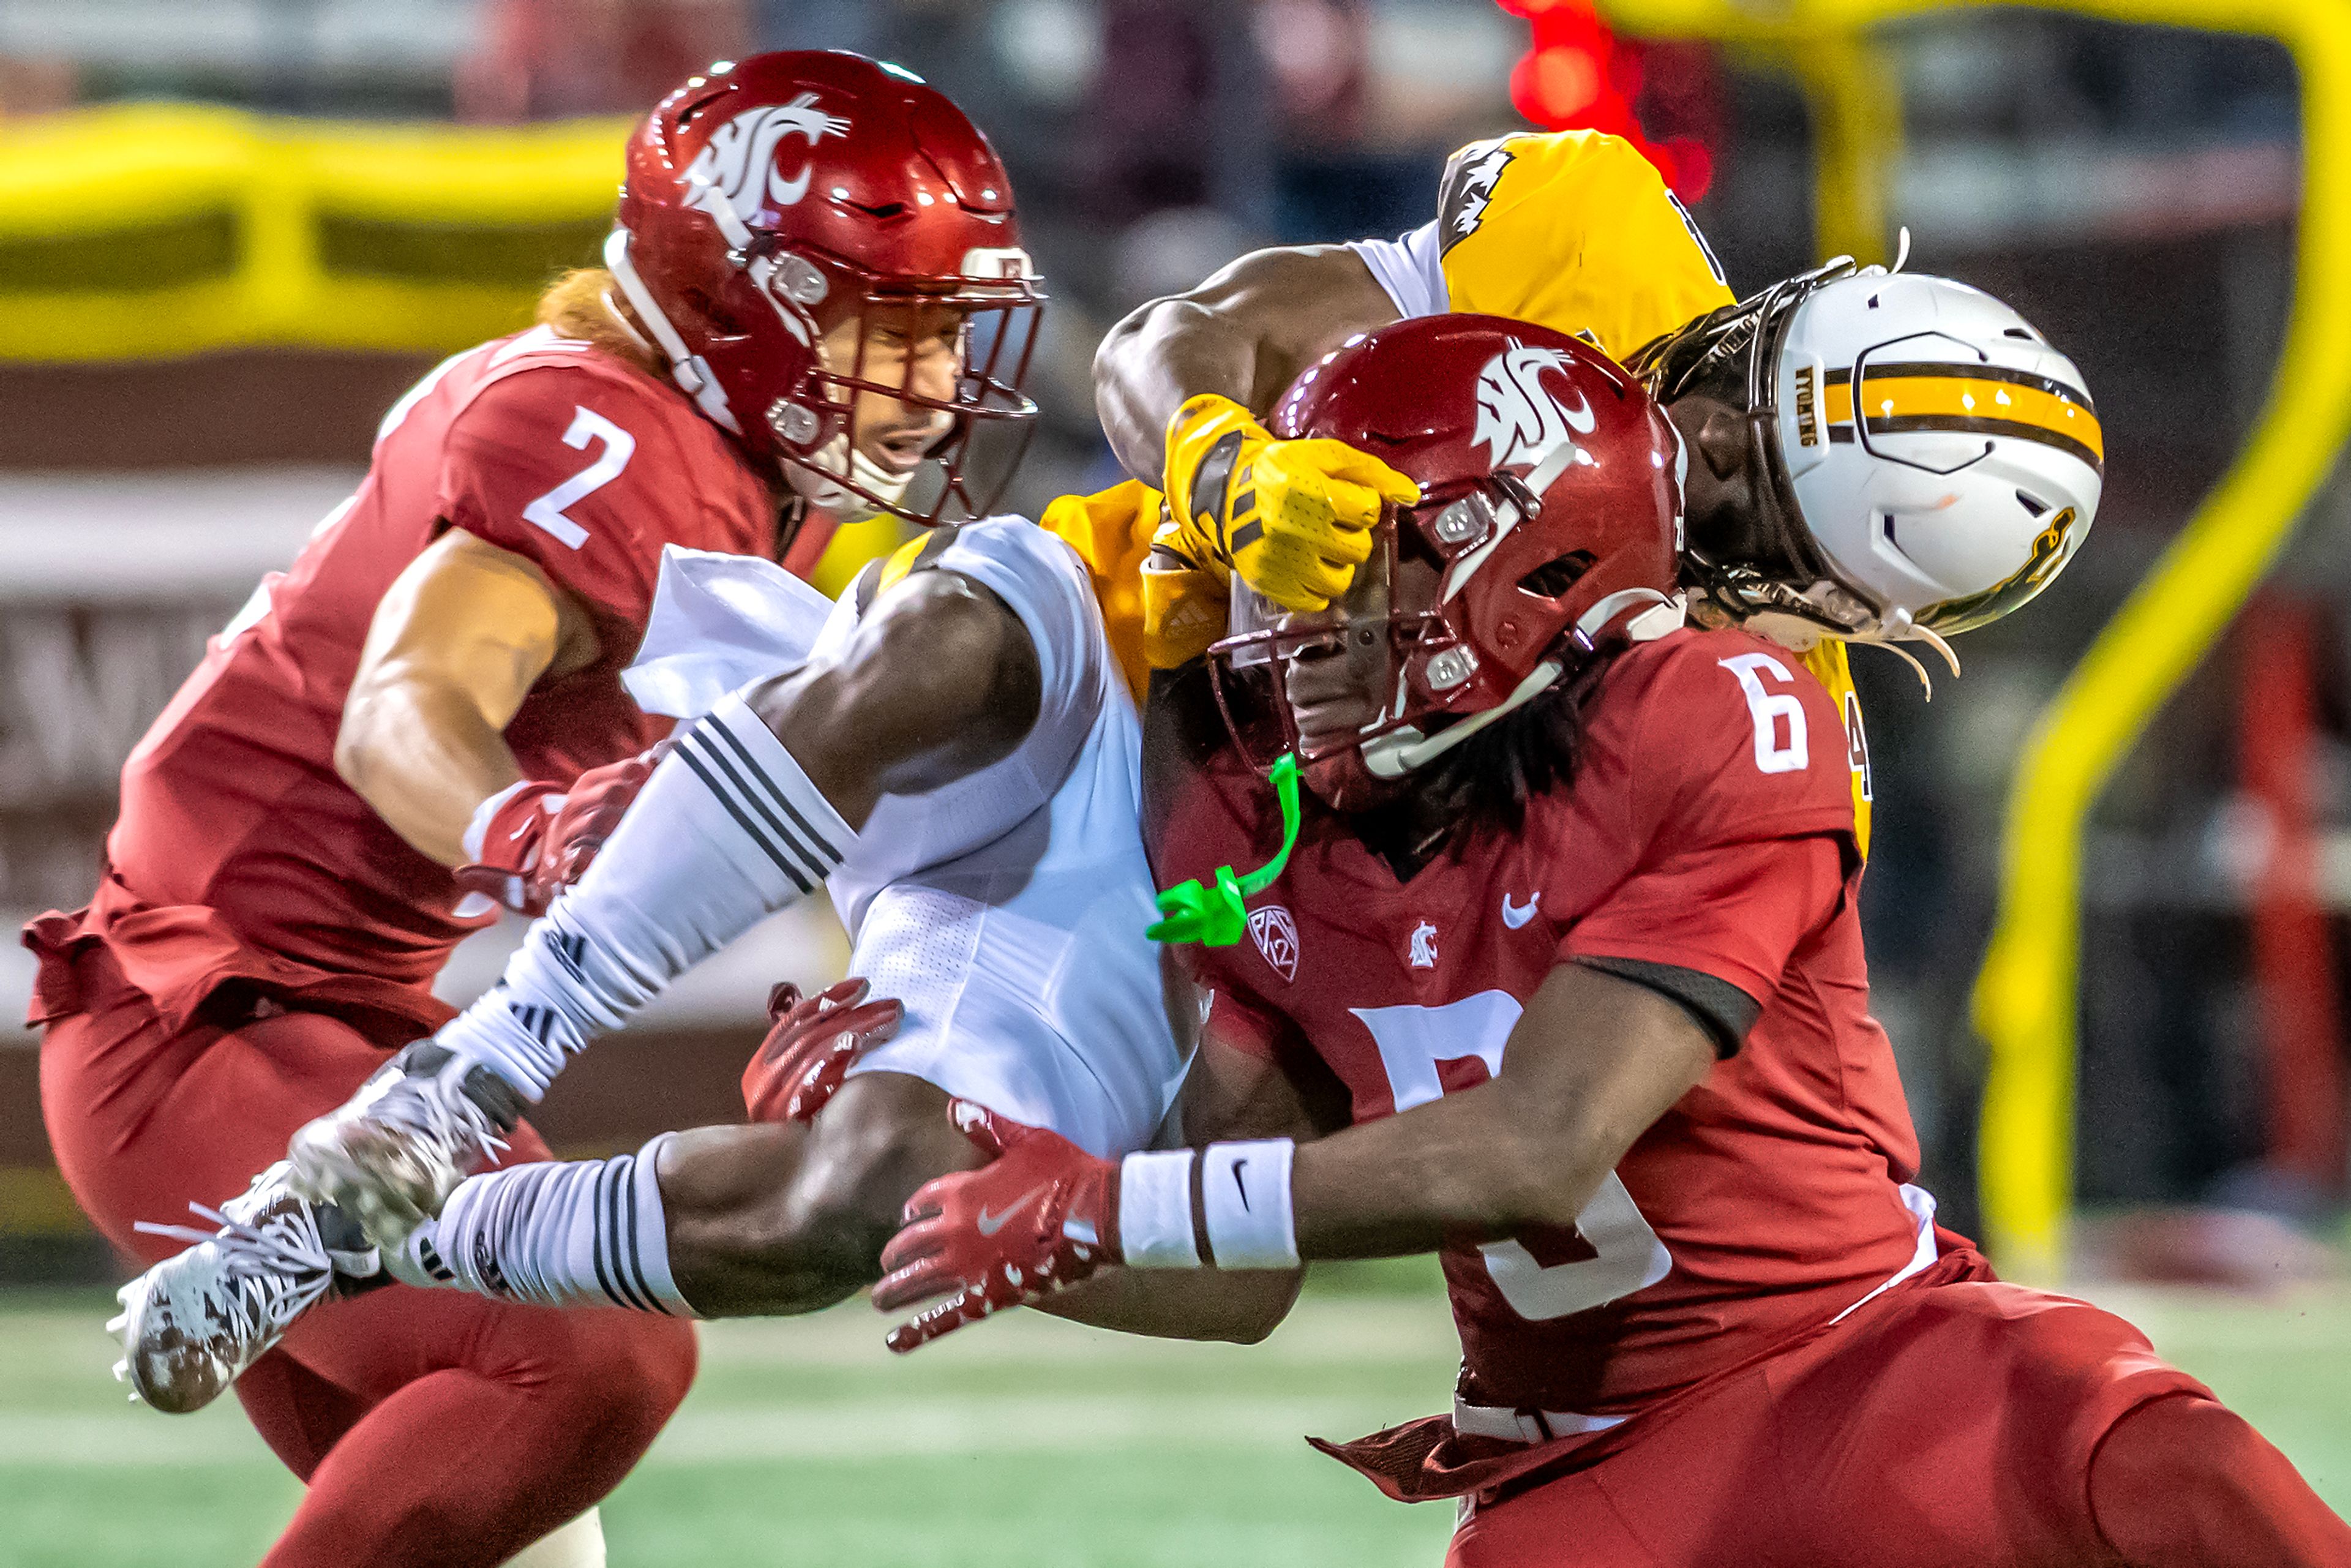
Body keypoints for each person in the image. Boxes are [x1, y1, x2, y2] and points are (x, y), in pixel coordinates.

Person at [869, 316, 2351, 1568]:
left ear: (1535, 565)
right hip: (1579, 1484)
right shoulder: (1256, 806)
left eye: (1360, 562)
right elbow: (1237, 1270)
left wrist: (1098, 1210)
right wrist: (950, 1185)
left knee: (2167, 1462)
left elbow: (1531, 1149)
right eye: (1286, 568)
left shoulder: (1715, 714)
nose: (1296, 617)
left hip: (1873, 1373)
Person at [56, 49, 1038, 1568]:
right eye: (885, 328)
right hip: (200, 1022)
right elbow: (407, 709)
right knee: (596, 1356)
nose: (926, 380)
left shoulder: (740, 457)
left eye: (940, 331)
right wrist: (527, 832)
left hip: (349, 1033)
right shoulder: (610, 434)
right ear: (735, 301)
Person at [1093, 127, 2107, 858]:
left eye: (1747, 493)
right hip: (1119, 661)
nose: (1703, 435)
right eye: (1739, 380)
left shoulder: (1766, 754)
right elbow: (1166, 340)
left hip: (1277, 910)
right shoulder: (1595, 247)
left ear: (1831, 609)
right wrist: (1224, 469)